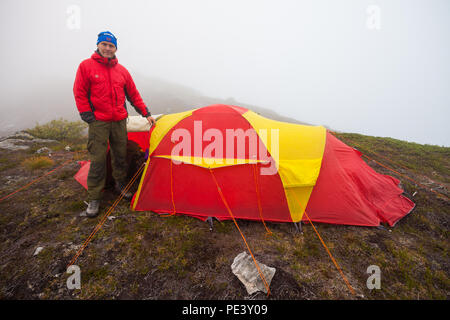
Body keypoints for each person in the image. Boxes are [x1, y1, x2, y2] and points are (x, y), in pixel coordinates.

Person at [73, 31, 155, 217]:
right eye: (105, 45)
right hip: (99, 121)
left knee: (120, 155)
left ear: (115, 48)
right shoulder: (86, 66)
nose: (108, 48)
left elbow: (133, 95)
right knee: (98, 159)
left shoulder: (122, 71)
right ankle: (94, 197)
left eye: (111, 46)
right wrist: (87, 114)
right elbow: (79, 91)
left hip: (119, 120)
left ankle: (120, 185)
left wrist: (146, 113)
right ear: (98, 45)